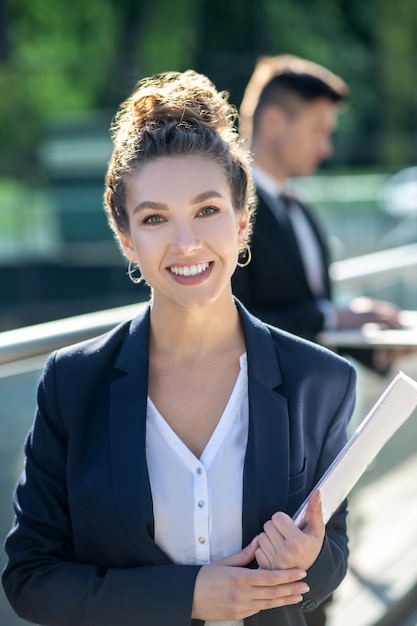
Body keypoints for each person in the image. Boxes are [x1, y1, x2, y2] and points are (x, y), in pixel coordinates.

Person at [2, 69, 356, 626]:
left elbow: (332, 551)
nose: (185, 242)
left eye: (207, 210)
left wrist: (308, 562)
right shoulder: (73, 384)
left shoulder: (322, 382)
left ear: (242, 222)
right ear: (127, 239)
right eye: (155, 218)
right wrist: (187, 595)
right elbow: (30, 576)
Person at [232, 54, 407, 375]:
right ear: (272, 122)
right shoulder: (227, 209)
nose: (327, 148)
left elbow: (309, 314)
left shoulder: (298, 205)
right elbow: (231, 321)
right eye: (318, 130)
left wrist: (376, 341)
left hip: (314, 406)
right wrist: (333, 316)